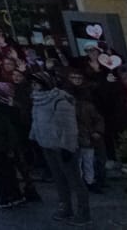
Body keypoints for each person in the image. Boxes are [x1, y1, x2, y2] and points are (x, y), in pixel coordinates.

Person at [31, 71, 89, 225]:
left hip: (62, 147)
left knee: (75, 180)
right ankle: (66, 207)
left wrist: (67, 147)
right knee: (59, 179)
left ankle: (84, 212)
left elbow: (69, 127)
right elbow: (36, 120)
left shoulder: (60, 100)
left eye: (35, 83)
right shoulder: (37, 99)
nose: (33, 86)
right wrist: (34, 136)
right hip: (46, 144)